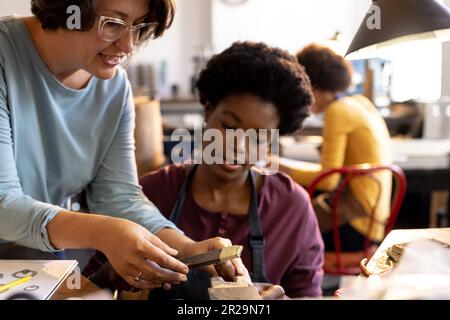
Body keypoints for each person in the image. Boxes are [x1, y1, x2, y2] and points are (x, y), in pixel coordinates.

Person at [0, 0, 247, 291]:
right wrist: (103, 231)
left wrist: (187, 248)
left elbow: (118, 196)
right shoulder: (6, 56)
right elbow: (4, 204)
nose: (128, 46)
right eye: (113, 24)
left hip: (29, 262)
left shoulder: (114, 88)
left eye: (139, 28)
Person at [140, 42, 324, 298]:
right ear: (208, 111)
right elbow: (99, 283)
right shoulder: (152, 192)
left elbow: (308, 295)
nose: (238, 146)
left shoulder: (291, 207)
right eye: (228, 126)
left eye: (258, 137)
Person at [277, 44, 392, 251]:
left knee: (278, 232)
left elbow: (328, 180)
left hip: (355, 225)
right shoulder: (360, 103)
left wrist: (278, 166)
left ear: (310, 86)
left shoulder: (337, 111)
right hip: (374, 221)